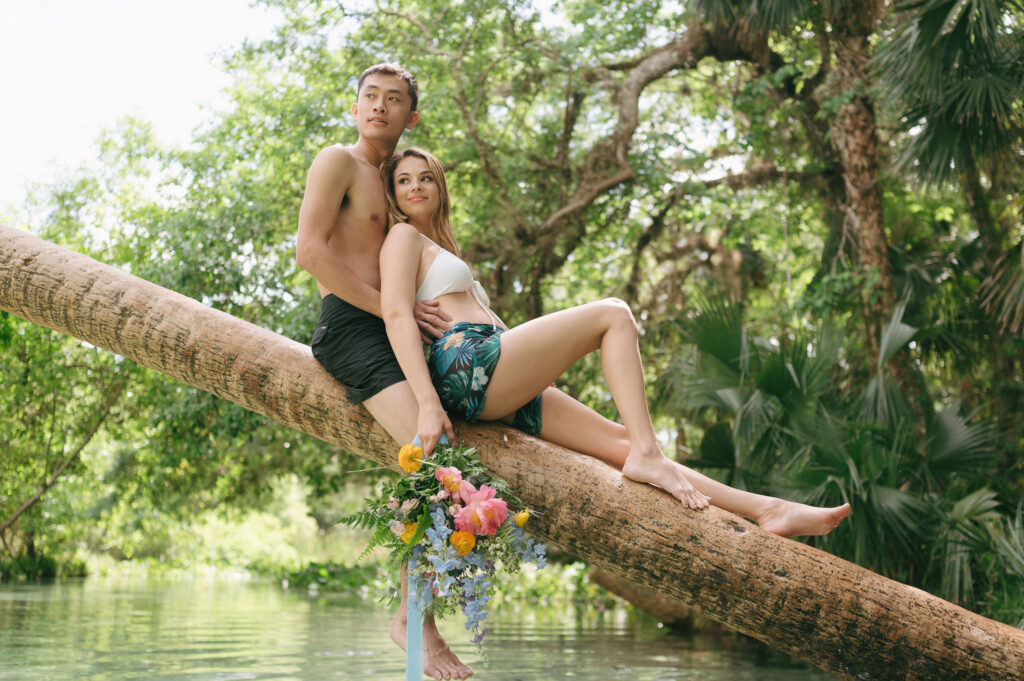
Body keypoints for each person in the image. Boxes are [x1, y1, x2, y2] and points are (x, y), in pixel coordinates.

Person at [379, 147, 852, 534]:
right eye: (404, 180)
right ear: (394, 196)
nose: (416, 186)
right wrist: (425, 403)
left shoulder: (437, 245)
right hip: (469, 364)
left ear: (441, 187)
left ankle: (768, 509)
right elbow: (397, 313)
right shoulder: (402, 237)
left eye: (426, 177)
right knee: (614, 315)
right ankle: (648, 456)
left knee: (621, 440)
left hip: (493, 372)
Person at [296, 66, 473, 681]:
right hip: (351, 326)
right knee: (433, 457)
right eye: (370, 97)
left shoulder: (398, 179)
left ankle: (418, 610)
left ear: (410, 117)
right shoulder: (337, 162)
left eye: (393, 100)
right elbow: (311, 252)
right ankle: (413, 620)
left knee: (442, 451)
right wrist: (388, 309)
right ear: (355, 108)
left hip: (396, 329)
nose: (380, 107)